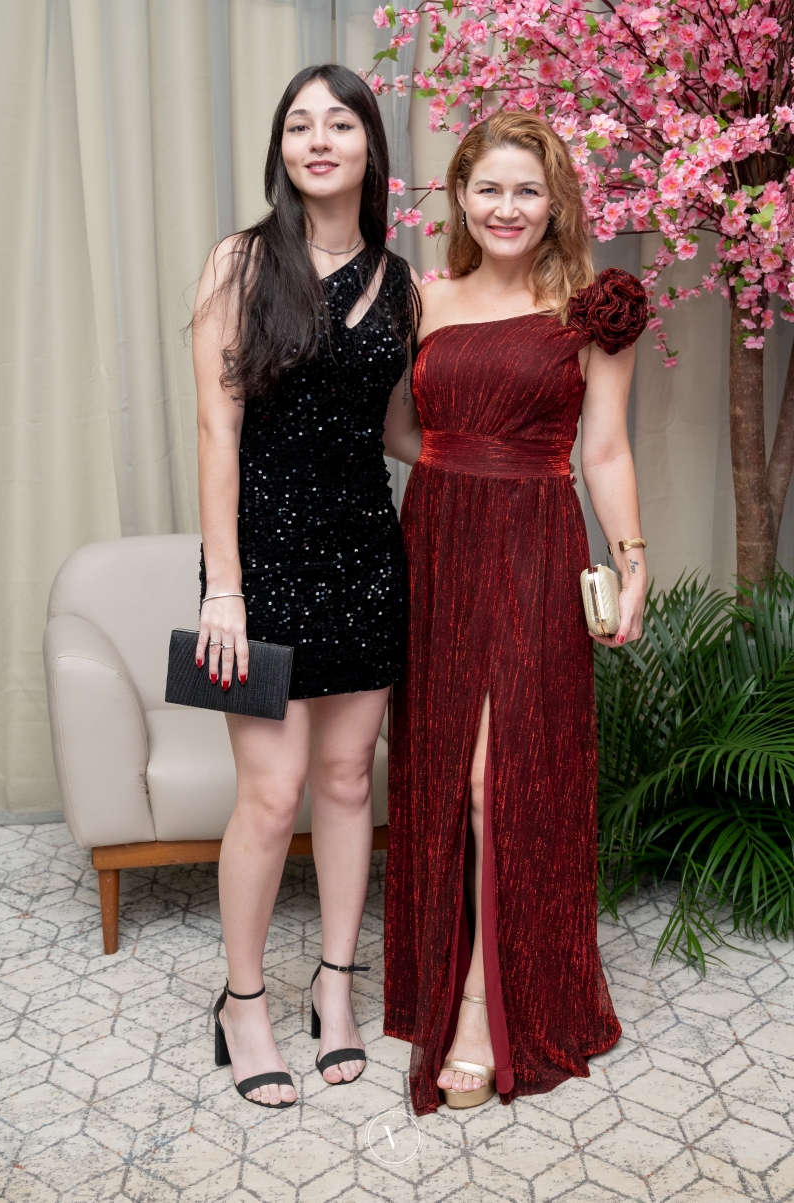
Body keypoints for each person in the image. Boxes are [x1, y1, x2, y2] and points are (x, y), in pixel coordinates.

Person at [381, 112, 649, 1115]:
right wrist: (468, 462)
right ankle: (446, 971)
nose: (506, 208)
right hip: (436, 545)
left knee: (500, 779)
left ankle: (477, 1012)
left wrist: (631, 561)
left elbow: (605, 448)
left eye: (526, 191)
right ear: (458, 195)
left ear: (554, 203)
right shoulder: (421, 297)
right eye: (488, 189)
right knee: (442, 769)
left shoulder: (591, 309)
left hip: (537, 544)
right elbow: (399, 428)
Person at [192, 63, 419, 1108]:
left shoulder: (401, 281)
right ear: (280, 149)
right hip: (257, 571)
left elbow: (395, 429)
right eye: (298, 125)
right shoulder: (240, 261)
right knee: (271, 792)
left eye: (339, 123)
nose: (318, 140)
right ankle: (242, 1002)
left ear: (371, 147)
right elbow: (216, 430)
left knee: (345, 781)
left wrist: (504, 452)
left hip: (366, 557)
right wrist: (223, 589)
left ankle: (334, 985)